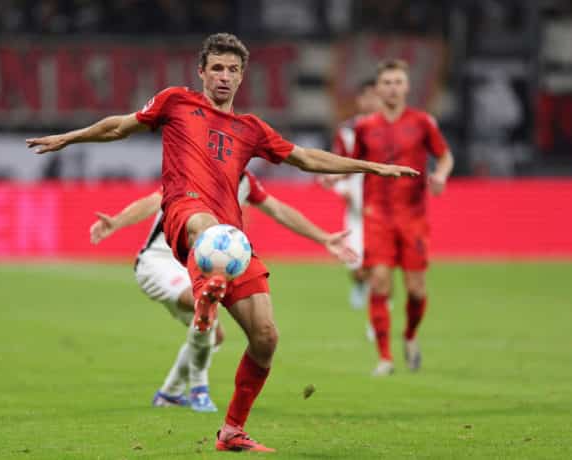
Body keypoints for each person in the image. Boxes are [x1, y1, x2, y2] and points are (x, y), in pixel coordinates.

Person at [27, 33, 418, 453]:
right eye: (217, 68)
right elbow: (119, 126)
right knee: (205, 226)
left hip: (233, 239)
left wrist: (372, 167)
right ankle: (205, 292)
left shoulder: (250, 130)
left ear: (242, 76)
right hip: (186, 216)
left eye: (233, 70)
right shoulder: (176, 102)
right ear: (202, 72)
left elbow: (305, 157)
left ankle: (232, 429)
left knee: (266, 335)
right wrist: (70, 137)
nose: (225, 77)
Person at [89, 170, 357, 414]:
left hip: (199, 264)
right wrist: (116, 222)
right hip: (159, 261)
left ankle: (169, 393)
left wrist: (323, 237)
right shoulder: (192, 171)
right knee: (204, 303)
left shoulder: (245, 181)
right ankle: (199, 389)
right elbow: (152, 201)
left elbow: (280, 210)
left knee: (213, 334)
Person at [349, 59, 454, 377]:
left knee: (416, 289)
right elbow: (355, 164)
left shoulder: (422, 123)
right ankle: (385, 357)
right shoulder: (365, 127)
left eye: (398, 82)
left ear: (407, 87)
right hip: (377, 215)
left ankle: (409, 336)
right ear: (378, 88)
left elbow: (445, 155)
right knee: (379, 281)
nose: (393, 88)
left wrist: (441, 175)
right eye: (387, 82)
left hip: (413, 217)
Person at [319, 79, 382, 344]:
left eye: (374, 96)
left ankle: (377, 323)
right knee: (357, 265)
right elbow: (339, 165)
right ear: (359, 100)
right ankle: (358, 283)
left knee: (379, 267)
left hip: (382, 207)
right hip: (356, 207)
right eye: (365, 96)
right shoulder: (347, 131)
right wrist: (338, 184)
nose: (370, 101)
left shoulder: (391, 129)